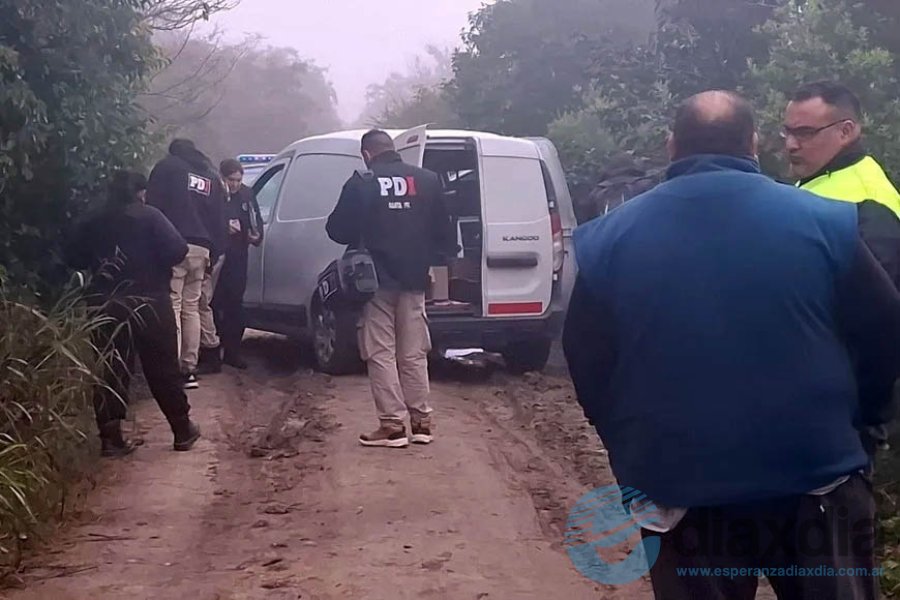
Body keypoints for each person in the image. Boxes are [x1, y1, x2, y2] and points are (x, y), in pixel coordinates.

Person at [564, 91, 900, 600]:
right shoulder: (826, 222)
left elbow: (587, 359)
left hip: (680, 485)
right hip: (816, 477)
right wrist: (860, 423)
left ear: (671, 145)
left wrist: (631, 446)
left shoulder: (608, 238)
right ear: (755, 143)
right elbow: (884, 330)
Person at [784, 81, 900, 457]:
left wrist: (858, 414)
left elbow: (882, 322)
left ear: (846, 131)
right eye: (787, 132)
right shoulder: (820, 180)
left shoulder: (867, 202)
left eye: (804, 133)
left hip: (835, 423)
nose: (790, 144)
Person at [326, 129, 455, 448]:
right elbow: (445, 236)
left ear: (366, 154)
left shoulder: (361, 182)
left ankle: (392, 425)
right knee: (413, 352)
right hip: (415, 279)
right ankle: (422, 423)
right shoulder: (427, 180)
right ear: (392, 149)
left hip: (374, 281)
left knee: (380, 351)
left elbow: (336, 230)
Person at [66, 171, 202, 457]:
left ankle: (111, 437)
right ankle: (181, 429)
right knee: (163, 368)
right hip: (150, 300)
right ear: (141, 192)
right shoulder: (151, 216)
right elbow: (178, 250)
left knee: (111, 369)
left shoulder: (93, 221)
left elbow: (73, 257)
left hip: (104, 304)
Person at [147, 139, 226, 390]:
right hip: (202, 249)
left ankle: (172, 369)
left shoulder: (166, 168)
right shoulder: (210, 175)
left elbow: (153, 209)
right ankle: (188, 368)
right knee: (191, 308)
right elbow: (220, 218)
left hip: (173, 245)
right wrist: (215, 252)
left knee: (173, 305)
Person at [210, 158, 264, 370]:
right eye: (231, 180)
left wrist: (255, 235)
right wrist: (223, 227)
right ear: (222, 178)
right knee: (212, 304)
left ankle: (233, 351)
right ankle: (212, 350)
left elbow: (255, 220)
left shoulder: (247, 194)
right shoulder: (214, 194)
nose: (234, 184)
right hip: (217, 255)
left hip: (238, 256)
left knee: (235, 304)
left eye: (238, 180)